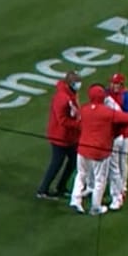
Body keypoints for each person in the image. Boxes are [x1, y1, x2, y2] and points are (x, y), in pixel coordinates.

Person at [70, 84, 128, 216]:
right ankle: (96, 207)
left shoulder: (84, 109)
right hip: (100, 150)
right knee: (101, 179)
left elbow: (79, 123)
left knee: (81, 174)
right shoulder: (107, 112)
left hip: (83, 149)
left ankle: (75, 200)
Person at [36, 71, 82, 200]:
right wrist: (79, 125)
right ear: (70, 83)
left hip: (70, 136)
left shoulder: (71, 94)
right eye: (77, 82)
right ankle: (43, 190)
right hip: (60, 137)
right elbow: (62, 120)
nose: (79, 85)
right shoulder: (62, 98)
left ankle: (61, 187)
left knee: (74, 161)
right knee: (56, 163)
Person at [105, 72, 128, 211]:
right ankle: (114, 186)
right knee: (113, 162)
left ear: (121, 84)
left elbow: (126, 116)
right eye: (112, 82)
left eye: (116, 83)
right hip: (112, 134)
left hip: (125, 133)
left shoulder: (127, 96)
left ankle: (123, 187)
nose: (113, 85)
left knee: (122, 160)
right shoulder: (107, 93)